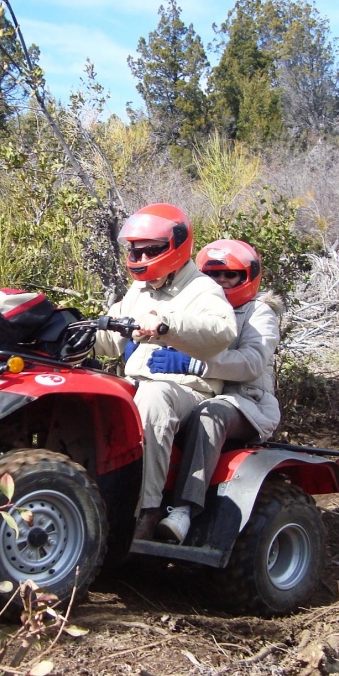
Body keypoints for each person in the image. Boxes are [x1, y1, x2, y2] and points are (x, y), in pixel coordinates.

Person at [94, 204, 237, 541]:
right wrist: (70, 329)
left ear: (175, 246)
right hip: (139, 382)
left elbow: (222, 331)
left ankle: (148, 508)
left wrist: (167, 325)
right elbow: (110, 341)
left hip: (188, 390)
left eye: (150, 250)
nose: (141, 256)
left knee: (154, 396)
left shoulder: (203, 289)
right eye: (135, 249)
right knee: (93, 394)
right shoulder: (139, 291)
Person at [148, 239, 284, 544]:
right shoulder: (191, 304)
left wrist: (194, 365)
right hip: (197, 392)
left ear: (247, 276)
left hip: (245, 403)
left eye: (230, 274)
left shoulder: (258, 313)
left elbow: (251, 362)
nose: (221, 281)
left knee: (211, 414)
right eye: (213, 274)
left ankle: (182, 510)